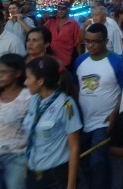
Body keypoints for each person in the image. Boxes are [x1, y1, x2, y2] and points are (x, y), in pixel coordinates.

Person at [73, 23, 123, 189]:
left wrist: (115, 113)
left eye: (95, 41)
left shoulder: (116, 62)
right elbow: (76, 88)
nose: (90, 45)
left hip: (103, 122)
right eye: (87, 41)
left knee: (98, 161)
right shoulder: (80, 61)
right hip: (83, 121)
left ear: (105, 41)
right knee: (84, 161)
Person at [23, 56, 82, 189]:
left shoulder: (66, 105)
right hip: (33, 173)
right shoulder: (33, 102)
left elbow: (74, 147)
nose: (25, 82)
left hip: (55, 177)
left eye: (28, 78)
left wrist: (71, 185)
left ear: (40, 81)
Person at [0, 54, 30, 189]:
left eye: (4, 72)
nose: (0, 76)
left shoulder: (28, 97)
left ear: (17, 73)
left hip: (17, 157)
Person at [43, 2, 81, 70]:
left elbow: (78, 42)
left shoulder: (73, 24)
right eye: (59, 9)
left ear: (68, 10)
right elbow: (40, 32)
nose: (60, 11)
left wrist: (80, 58)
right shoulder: (51, 22)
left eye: (63, 9)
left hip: (66, 60)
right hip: (51, 59)